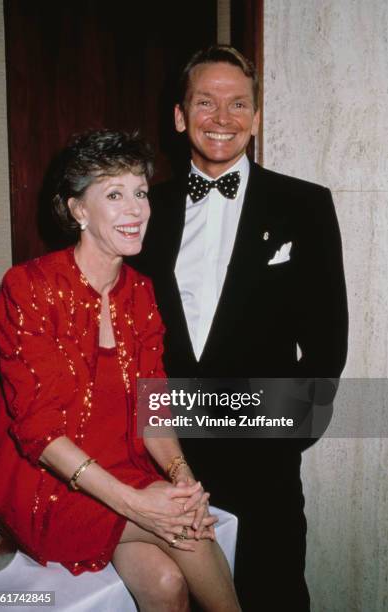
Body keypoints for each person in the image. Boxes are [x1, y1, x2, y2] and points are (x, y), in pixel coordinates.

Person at [0, 130, 241, 612]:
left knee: (164, 583)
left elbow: (153, 404)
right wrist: (135, 502)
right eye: (114, 194)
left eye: (140, 192)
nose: (137, 208)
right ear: (78, 210)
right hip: (44, 480)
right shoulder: (29, 288)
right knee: (185, 523)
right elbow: (39, 432)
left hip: (122, 465)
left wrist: (181, 473)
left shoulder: (140, 291)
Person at [130, 46, 348, 611]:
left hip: (263, 455)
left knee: (271, 590)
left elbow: (328, 340)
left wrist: (287, 434)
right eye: (205, 102)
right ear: (180, 116)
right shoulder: (143, 211)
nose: (221, 118)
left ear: (255, 117)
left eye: (237, 104)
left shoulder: (305, 205)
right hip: (164, 451)